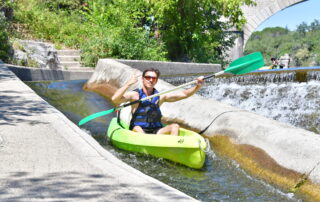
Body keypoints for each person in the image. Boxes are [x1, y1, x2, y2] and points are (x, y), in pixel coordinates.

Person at [112, 68, 204, 136]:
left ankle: (172, 151)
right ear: (143, 79)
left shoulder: (160, 96)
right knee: (137, 128)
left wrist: (197, 87)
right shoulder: (135, 95)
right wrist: (128, 83)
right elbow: (115, 99)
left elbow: (184, 94)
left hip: (156, 131)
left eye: (154, 78)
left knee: (175, 126)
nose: (151, 80)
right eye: (148, 77)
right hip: (139, 131)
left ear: (156, 81)